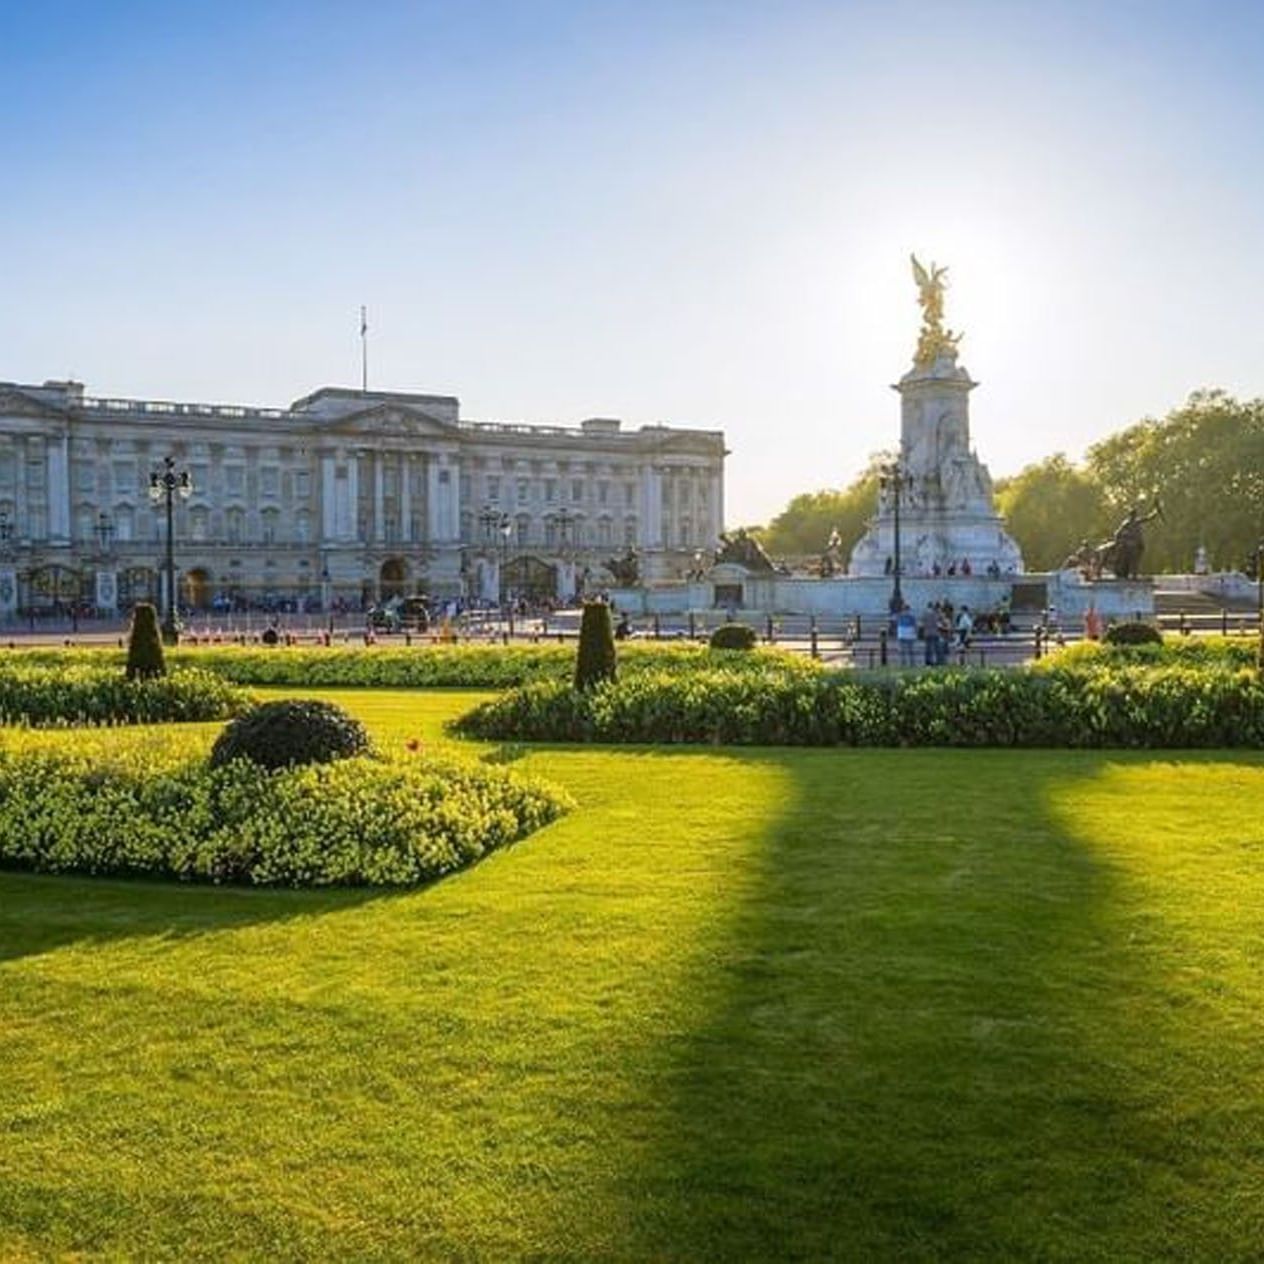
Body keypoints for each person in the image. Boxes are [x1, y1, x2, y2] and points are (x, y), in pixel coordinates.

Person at [896, 604, 917, 668]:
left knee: (906, 651)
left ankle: (907, 663)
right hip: (906, 635)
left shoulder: (900, 616)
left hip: (905, 635)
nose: (906, 611)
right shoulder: (910, 617)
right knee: (906, 651)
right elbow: (915, 626)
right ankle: (908, 663)